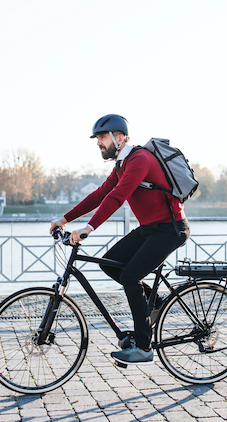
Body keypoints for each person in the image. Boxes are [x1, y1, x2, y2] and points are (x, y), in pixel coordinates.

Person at [50, 114, 190, 365]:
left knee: (129, 276)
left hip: (170, 230)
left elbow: (118, 197)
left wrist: (89, 228)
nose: (98, 143)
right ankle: (154, 301)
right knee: (109, 262)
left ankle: (144, 347)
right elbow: (100, 195)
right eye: (97, 138)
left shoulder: (140, 160)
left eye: (102, 137)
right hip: (150, 228)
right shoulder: (122, 164)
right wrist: (65, 219)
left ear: (120, 137)